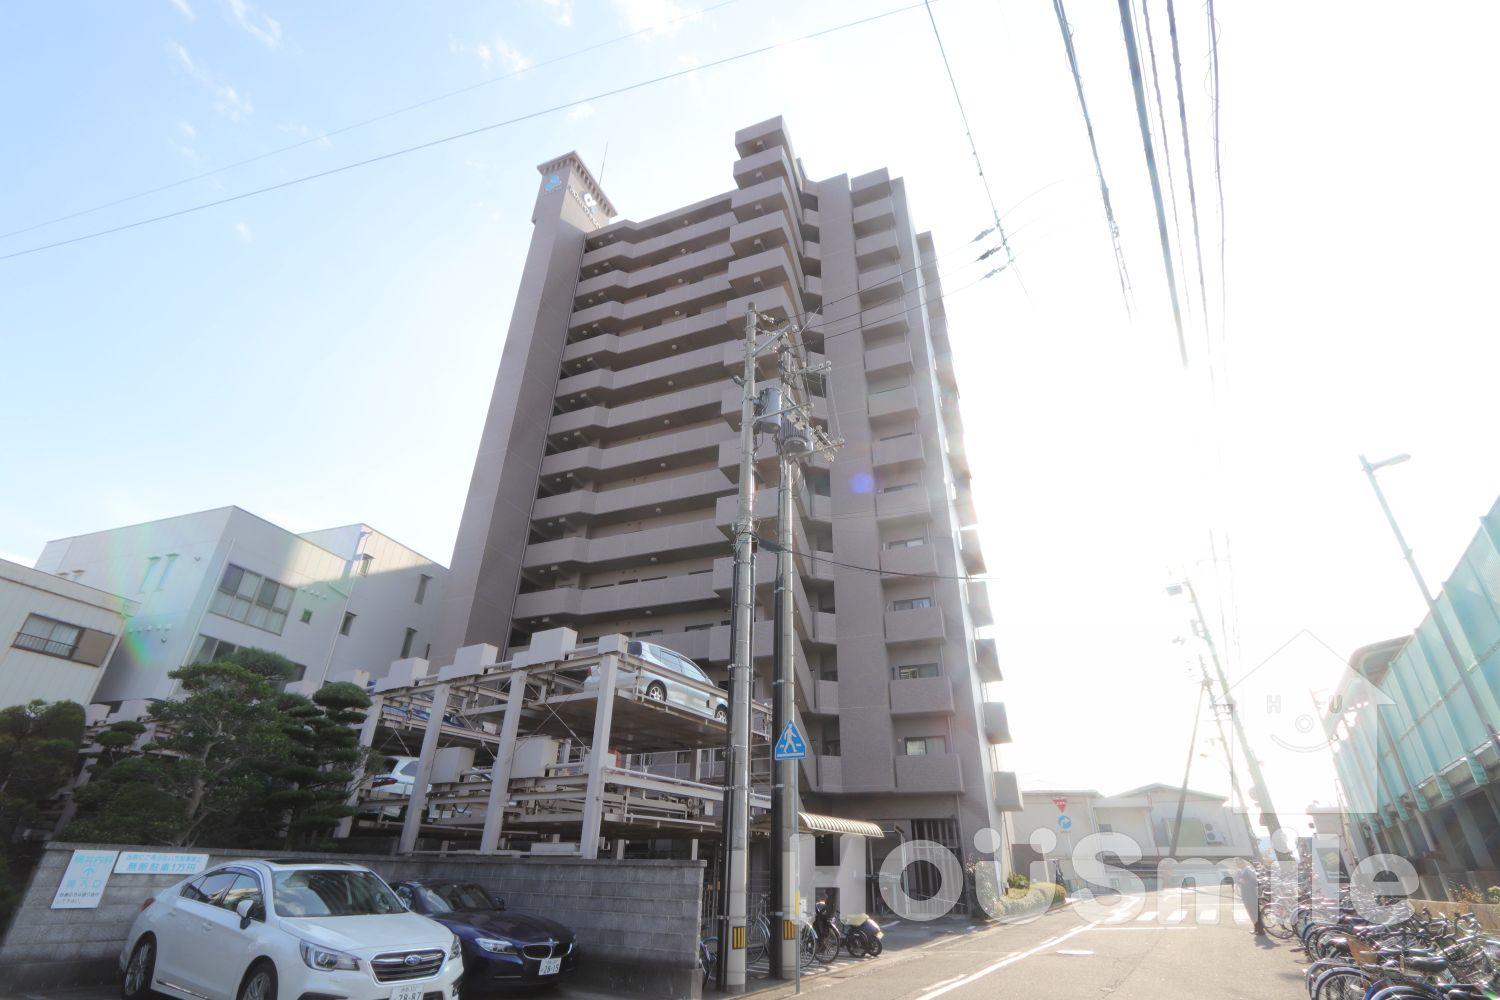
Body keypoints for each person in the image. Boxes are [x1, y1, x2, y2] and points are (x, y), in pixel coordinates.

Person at [1235, 861, 1265, 935]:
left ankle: (1260, 930)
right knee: (1251, 912)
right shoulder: (1240, 871)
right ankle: (1256, 928)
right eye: (1236, 863)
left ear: (1243, 863)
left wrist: (1246, 882)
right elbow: (1238, 881)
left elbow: (1256, 883)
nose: (1237, 865)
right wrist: (1239, 880)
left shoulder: (1249, 871)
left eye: (1238, 863)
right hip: (1245, 894)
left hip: (1251, 894)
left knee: (1255, 912)